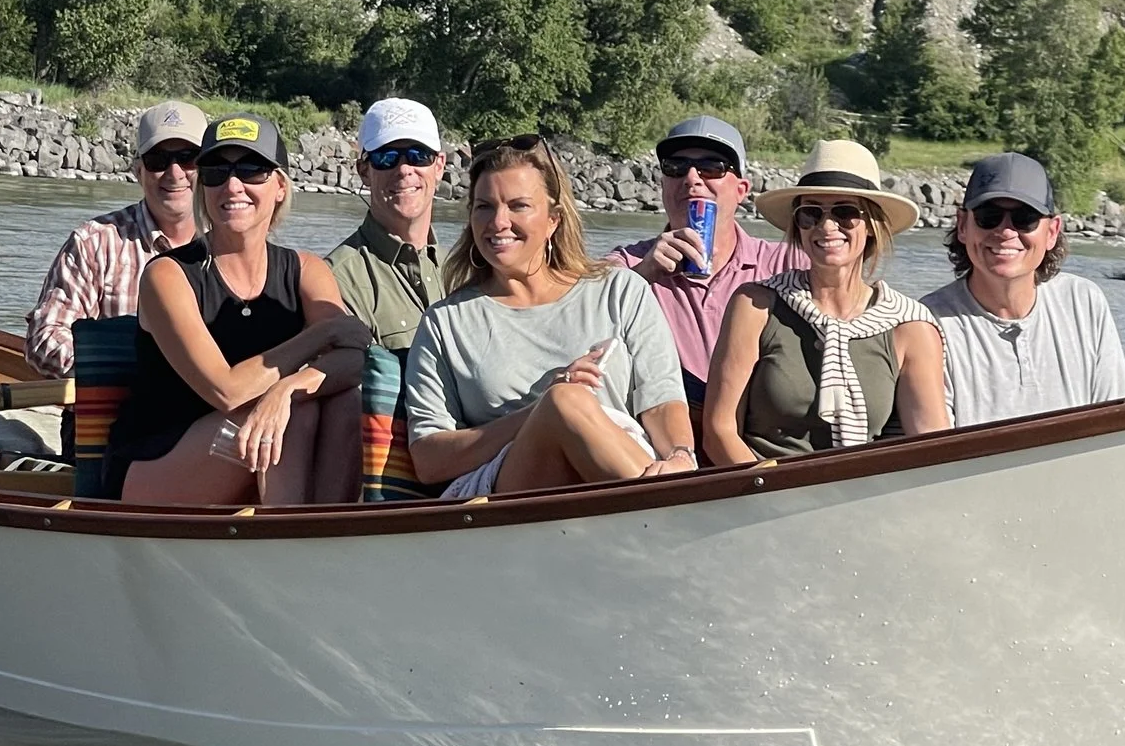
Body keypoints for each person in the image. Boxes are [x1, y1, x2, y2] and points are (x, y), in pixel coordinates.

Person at [403, 135, 695, 498]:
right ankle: (676, 513)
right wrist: (538, 408)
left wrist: (681, 455)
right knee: (564, 400)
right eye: (484, 207)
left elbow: (661, 400)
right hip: (507, 498)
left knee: (570, 403)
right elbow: (429, 462)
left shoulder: (621, 291)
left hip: (617, 472)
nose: (499, 222)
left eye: (519, 205)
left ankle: (666, 502)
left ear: (554, 220)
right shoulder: (446, 323)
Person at [113, 114, 369, 506]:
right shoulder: (167, 275)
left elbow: (352, 359)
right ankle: (291, 542)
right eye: (216, 171)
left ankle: (328, 534)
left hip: (252, 445)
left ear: (280, 186)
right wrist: (320, 335)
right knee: (296, 417)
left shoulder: (306, 270)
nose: (233, 186)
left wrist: (286, 390)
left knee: (338, 400)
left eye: (252, 170)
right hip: (156, 467)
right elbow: (227, 391)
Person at [701, 141, 949, 463]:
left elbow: (931, 448)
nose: (827, 226)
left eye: (845, 213)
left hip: (861, 500)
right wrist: (771, 493)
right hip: (760, 497)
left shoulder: (909, 326)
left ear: (871, 225)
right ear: (798, 225)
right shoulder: (755, 306)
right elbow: (719, 430)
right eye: (811, 214)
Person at [922, 152, 1125, 424]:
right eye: (989, 216)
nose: (1006, 231)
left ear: (1052, 231)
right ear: (962, 226)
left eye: (1025, 218)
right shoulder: (927, 324)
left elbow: (1117, 420)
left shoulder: (1085, 303)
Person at [611, 113, 800, 405]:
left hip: (757, 436)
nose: (691, 178)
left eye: (712, 167)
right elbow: (580, 324)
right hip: (663, 435)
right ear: (663, 185)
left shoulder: (786, 265)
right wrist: (643, 275)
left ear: (741, 190)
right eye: (676, 167)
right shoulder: (626, 265)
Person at [25, 100, 206, 376]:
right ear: (138, 172)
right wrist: (116, 369)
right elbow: (45, 336)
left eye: (188, 158)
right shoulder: (93, 242)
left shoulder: (231, 245)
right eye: (157, 160)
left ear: (207, 169)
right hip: (111, 412)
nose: (174, 172)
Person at [327, 97, 446, 359]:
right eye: (386, 157)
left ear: (439, 166)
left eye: (419, 155)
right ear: (364, 170)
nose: (404, 169)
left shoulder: (463, 268)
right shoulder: (338, 280)